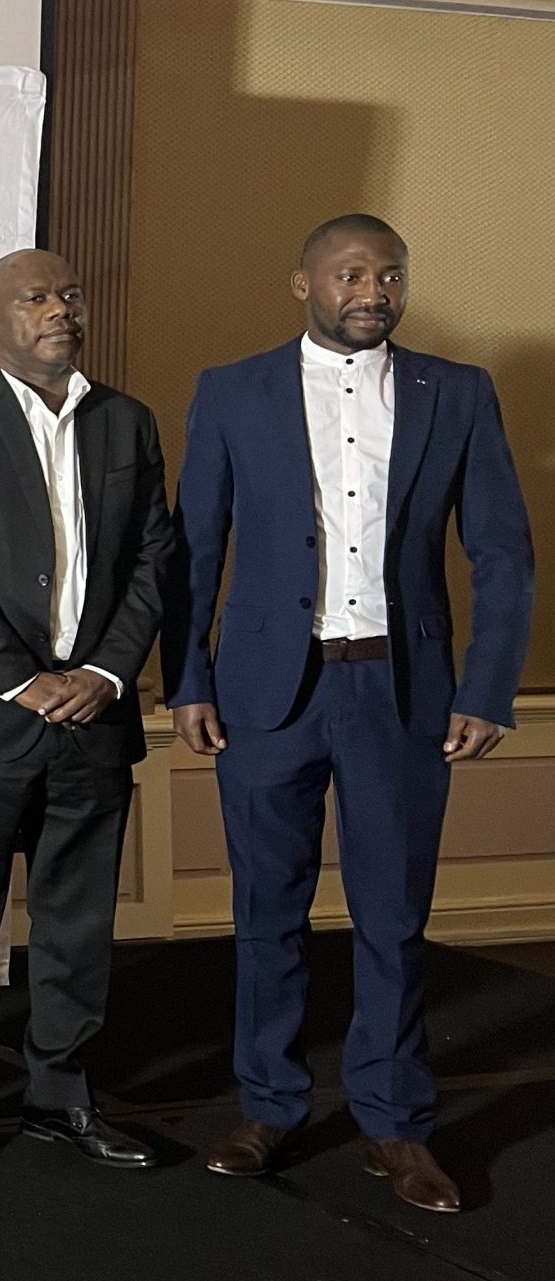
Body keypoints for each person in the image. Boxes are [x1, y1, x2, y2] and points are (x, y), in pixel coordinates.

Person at [165, 215, 534, 1213]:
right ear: (303, 284)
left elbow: (501, 550)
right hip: (263, 694)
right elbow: (193, 547)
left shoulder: (455, 394)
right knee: (266, 916)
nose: (372, 289)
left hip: (401, 692)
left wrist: (487, 687)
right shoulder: (230, 390)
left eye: (388, 274)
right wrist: (186, 678)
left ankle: (395, 1124)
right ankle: (268, 1107)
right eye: (350, 273)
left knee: (391, 920)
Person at [0, 250, 175, 1174]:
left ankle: (63, 1094)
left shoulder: (127, 421)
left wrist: (104, 670)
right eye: (36, 297)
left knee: (76, 921)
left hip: (94, 718)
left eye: (69, 293)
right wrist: (25, 680)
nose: (60, 308)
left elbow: (152, 563)